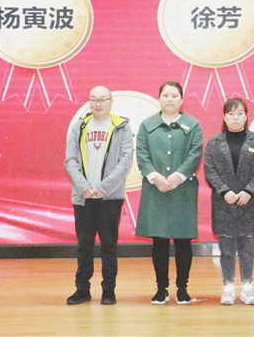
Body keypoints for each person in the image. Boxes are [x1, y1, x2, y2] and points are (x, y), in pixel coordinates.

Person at [135, 81, 203, 305]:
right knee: (160, 241)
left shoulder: (192, 125)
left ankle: (182, 289)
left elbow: (195, 154)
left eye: (175, 95)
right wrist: (155, 177)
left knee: (183, 241)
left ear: (182, 100)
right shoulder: (147, 125)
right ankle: (161, 289)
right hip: (156, 189)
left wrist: (178, 176)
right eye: (166, 95)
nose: (170, 99)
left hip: (182, 190)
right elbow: (142, 153)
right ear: (159, 98)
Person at [64, 86, 134, 305]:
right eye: (93, 99)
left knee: (109, 246)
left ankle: (108, 291)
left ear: (111, 101)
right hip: (83, 197)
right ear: (89, 102)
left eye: (103, 99)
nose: (98, 103)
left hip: (109, 198)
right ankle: (82, 290)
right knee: (84, 246)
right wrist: (83, 186)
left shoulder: (121, 127)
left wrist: (104, 187)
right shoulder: (80, 126)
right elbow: (70, 160)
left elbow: (125, 161)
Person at [204, 98, 254, 305]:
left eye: (240, 113)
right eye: (231, 113)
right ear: (224, 117)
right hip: (223, 202)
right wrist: (224, 191)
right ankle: (228, 287)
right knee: (226, 250)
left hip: (249, 202)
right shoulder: (214, 143)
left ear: (246, 116)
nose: (235, 117)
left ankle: (248, 287)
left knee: (247, 249)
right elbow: (209, 170)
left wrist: (249, 190)